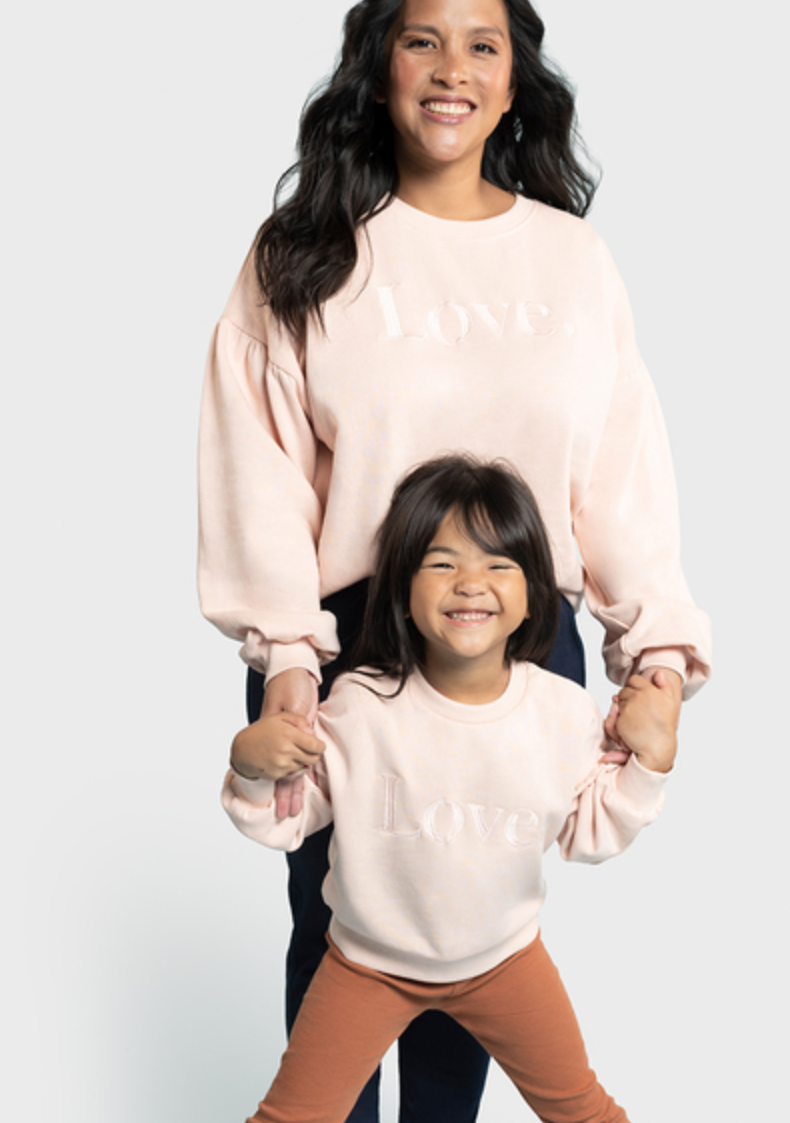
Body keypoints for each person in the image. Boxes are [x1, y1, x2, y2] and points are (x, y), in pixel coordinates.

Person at [198, 0, 712, 1117]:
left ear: (514, 78)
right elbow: (258, 475)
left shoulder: (572, 260)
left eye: (483, 45)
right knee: (341, 932)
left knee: (469, 933)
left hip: (520, 644)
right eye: (422, 38)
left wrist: (660, 658)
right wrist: (285, 658)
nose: (451, 69)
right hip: (344, 638)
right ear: (378, 64)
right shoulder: (306, 257)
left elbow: (618, 471)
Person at [223, 457, 678, 1123]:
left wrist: (649, 763)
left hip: (505, 962)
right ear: (402, 587)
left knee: (583, 1109)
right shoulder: (358, 707)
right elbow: (286, 823)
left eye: (499, 565)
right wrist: (251, 768)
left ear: (534, 594)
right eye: (441, 564)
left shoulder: (563, 713)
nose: (471, 583)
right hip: (365, 966)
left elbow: (590, 834)